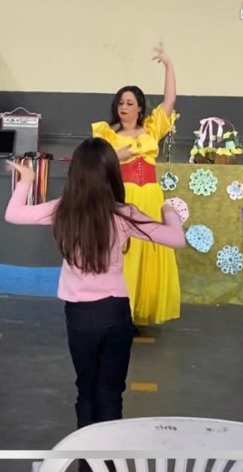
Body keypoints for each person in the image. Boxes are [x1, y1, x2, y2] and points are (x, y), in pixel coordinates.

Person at [4, 138, 185, 448]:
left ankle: (87, 462)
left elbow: (13, 214)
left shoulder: (62, 209)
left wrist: (27, 180)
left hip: (79, 315)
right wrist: (169, 210)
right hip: (115, 313)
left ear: (75, 173)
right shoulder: (124, 214)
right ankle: (109, 463)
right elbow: (176, 239)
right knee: (111, 392)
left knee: (86, 389)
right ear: (112, 173)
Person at [91, 42, 179, 326]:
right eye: (121, 103)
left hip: (151, 197)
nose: (124, 107)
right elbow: (95, 163)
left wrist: (168, 64)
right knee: (125, 252)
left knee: (150, 249)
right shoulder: (108, 134)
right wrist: (117, 156)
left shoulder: (151, 129)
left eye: (129, 103)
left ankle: (141, 309)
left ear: (140, 108)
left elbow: (169, 101)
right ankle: (120, 311)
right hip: (123, 197)